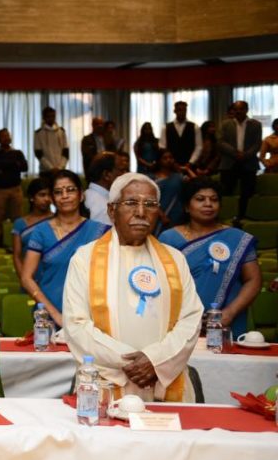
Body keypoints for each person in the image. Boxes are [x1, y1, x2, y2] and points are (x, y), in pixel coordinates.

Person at [62, 173, 204, 402]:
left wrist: (155, 360)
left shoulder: (175, 259)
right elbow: (76, 325)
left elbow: (191, 319)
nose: (140, 212)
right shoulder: (85, 258)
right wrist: (134, 363)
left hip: (163, 381)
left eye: (150, 204)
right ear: (112, 211)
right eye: (131, 203)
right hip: (108, 381)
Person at [159, 177, 261, 338]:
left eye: (214, 200)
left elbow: (253, 279)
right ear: (186, 206)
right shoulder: (169, 238)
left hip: (226, 321)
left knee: (224, 354)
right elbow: (161, 283)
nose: (208, 204)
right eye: (200, 199)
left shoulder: (237, 238)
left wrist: (230, 312)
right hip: (181, 323)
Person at [20, 170, 110, 327]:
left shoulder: (100, 231)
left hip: (89, 315)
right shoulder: (41, 231)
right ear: (53, 199)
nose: (65, 196)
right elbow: (26, 278)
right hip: (49, 315)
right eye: (58, 192)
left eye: (70, 190)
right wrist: (54, 314)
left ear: (81, 195)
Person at [218, 100, 262, 220]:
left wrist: (245, 155)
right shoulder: (225, 124)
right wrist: (235, 153)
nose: (238, 111)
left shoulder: (256, 124)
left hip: (249, 162)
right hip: (229, 163)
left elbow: (257, 144)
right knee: (225, 192)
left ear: (246, 110)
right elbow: (221, 142)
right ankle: (225, 217)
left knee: (247, 193)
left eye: (241, 109)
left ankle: (243, 217)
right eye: (236, 109)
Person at [0, 128, 28, 247]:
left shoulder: (18, 153)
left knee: (18, 219)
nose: (6, 138)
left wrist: (5, 166)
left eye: (8, 135)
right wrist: (14, 164)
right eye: (3, 136)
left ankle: (17, 244)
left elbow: (25, 167)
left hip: (16, 189)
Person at [11, 178, 53, 278]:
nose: (47, 199)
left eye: (49, 195)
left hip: (53, 278)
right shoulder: (20, 224)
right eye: (42, 195)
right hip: (30, 278)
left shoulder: (57, 220)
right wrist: (25, 280)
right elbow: (17, 256)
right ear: (31, 198)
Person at [153, 150, 188, 232]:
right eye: (165, 158)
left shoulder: (178, 177)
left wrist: (185, 169)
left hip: (178, 214)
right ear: (159, 160)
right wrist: (162, 215)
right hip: (159, 214)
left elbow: (196, 182)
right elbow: (150, 198)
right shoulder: (153, 178)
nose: (168, 160)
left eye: (170, 157)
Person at [160, 101, 202, 168]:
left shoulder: (195, 127)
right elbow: (162, 146)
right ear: (175, 111)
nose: (182, 112)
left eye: (184, 110)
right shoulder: (166, 127)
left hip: (190, 165)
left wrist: (190, 162)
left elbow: (199, 147)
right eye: (179, 110)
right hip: (171, 165)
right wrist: (172, 162)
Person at [33, 106, 69, 180]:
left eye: (53, 116)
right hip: (45, 171)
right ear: (44, 118)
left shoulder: (61, 132)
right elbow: (39, 154)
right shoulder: (38, 133)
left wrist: (60, 167)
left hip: (60, 170)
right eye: (48, 116)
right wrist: (51, 168)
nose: (51, 118)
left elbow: (66, 151)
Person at [84, 152, 119, 224]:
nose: (125, 174)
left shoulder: (86, 194)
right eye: (121, 170)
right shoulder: (104, 208)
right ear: (107, 175)